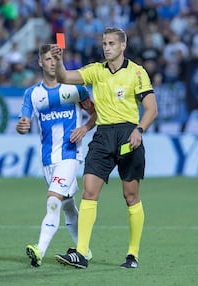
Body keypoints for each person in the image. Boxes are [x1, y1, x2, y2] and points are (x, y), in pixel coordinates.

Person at [51, 27, 158, 269]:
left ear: (123, 46)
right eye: (104, 43)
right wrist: (58, 62)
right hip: (103, 136)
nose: (106, 47)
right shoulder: (95, 71)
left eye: (111, 43)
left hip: (128, 134)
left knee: (131, 196)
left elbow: (151, 109)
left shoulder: (137, 72)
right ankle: (81, 253)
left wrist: (139, 130)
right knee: (89, 191)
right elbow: (64, 78)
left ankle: (132, 254)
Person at [16, 44, 97, 267]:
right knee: (69, 206)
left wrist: (84, 128)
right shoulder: (32, 94)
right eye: (48, 59)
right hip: (47, 159)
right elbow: (23, 122)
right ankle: (84, 250)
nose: (52, 62)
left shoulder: (75, 89)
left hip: (70, 155)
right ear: (41, 63)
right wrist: (21, 127)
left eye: (55, 58)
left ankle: (39, 250)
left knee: (53, 201)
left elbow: (95, 112)